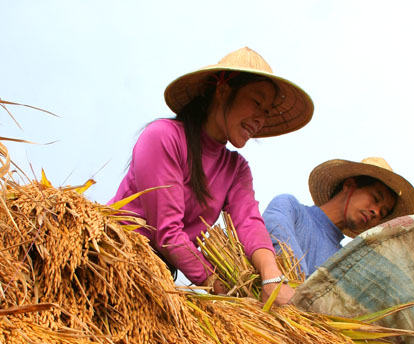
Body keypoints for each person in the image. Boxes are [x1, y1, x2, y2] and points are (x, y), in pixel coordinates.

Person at [109, 47, 314, 305]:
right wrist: (224, 289)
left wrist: (271, 277)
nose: (260, 119)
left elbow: (249, 223)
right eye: (256, 102)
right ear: (222, 90)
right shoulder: (163, 136)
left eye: (267, 111)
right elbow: (167, 232)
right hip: (116, 256)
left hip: (158, 275)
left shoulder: (236, 169)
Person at [263, 157, 414, 277]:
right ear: (349, 185)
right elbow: (276, 236)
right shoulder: (290, 207)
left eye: (383, 213)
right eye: (375, 198)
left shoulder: (346, 261)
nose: (376, 212)